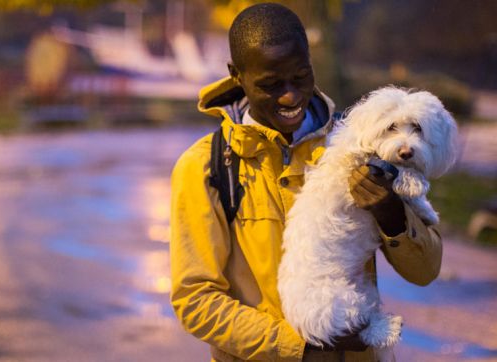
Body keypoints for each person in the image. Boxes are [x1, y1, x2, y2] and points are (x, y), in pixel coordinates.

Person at [169, 3, 442, 361]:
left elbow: (426, 271)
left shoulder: (360, 141)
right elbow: (196, 300)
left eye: (300, 77)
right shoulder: (205, 166)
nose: (290, 96)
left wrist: (391, 214)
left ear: (310, 62)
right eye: (270, 84)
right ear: (237, 75)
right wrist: (302, 349)